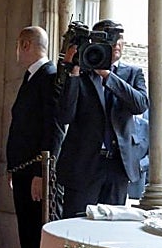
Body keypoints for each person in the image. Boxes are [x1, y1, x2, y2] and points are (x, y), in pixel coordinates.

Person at [52, 19, 149, 218]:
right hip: (83, 165)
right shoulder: (80, 73)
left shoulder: (132, 74)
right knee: (75, 225)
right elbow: (64, 115)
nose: (116, 45)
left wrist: (106, 75)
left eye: (120, 39)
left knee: (111, 228)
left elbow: (140, 104)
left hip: (117, 166)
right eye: (109, 40)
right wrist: (74, 70)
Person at [6, 26, 60, 248]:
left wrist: (42, 173)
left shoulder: (49, 77)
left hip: (36, 174)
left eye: (18, 45)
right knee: (26, 235)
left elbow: (53, 130)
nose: (16, 51)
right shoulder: (32, 77)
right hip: (23, 171)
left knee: (35, 237)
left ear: (26, 44)